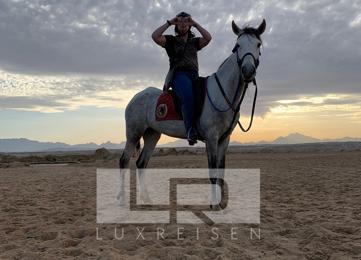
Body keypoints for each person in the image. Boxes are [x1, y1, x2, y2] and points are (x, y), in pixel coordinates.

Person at [151, 12, 212, 145]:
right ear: (176, 25)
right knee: (188, 96)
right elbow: (155, 36)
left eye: (186, 22)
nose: (183, 24)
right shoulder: (171, 41)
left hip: (194, 75)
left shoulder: (194, 42)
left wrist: (195, 23)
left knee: (206, 96)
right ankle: (190, 130)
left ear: (189, 26)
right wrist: (169, 22)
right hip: (179, 75)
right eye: (180, 22)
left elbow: (208, 38)